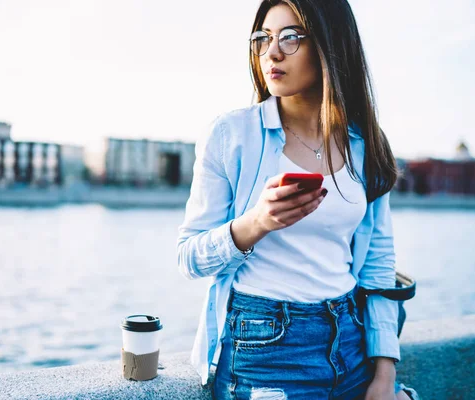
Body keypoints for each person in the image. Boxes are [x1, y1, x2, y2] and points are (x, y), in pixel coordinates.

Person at [177, 0, 418, 398]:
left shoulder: (365, 143)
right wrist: (255, 223)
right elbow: (188, 258)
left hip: (351, 340)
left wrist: (384, 374)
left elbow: (378, 266)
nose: (272, 52)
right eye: (263, 38)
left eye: (290, 38)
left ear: (330, 44)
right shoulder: (232, 135)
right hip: (265, 346)